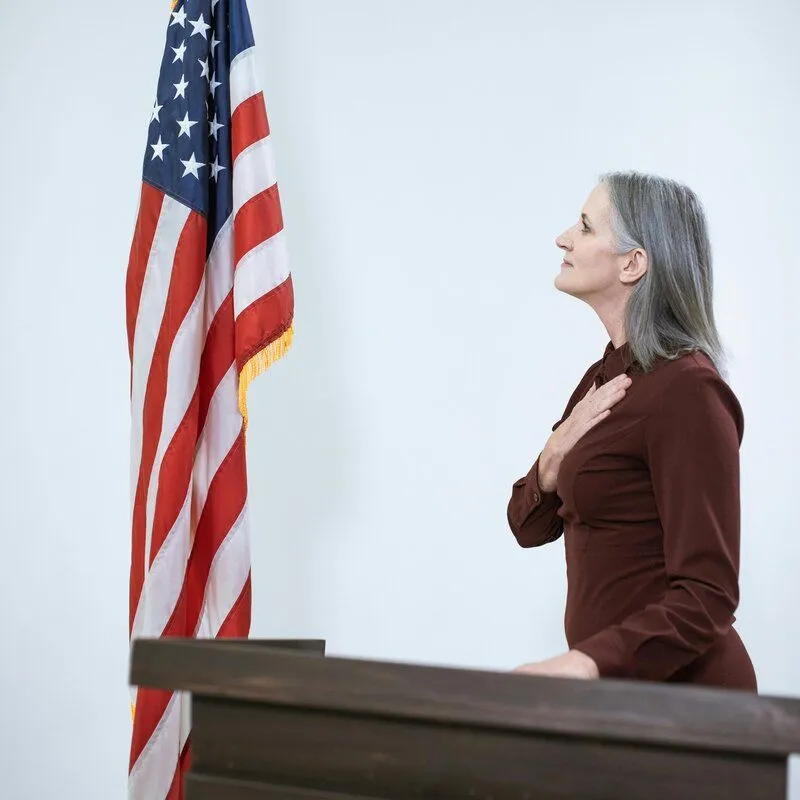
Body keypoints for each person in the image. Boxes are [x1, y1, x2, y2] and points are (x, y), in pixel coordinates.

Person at [507, 171, 757, 691]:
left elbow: (708, 595)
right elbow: (528, 527)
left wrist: (587, 663)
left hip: (688, 701)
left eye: (585, 227)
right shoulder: (604, 378)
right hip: (621, 693)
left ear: (632, 263)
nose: (563, 238)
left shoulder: (688, 390)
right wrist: (550, 459)